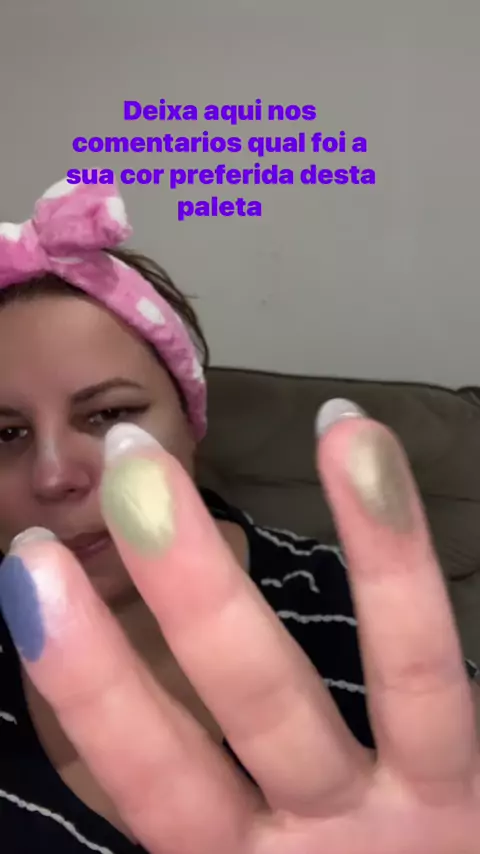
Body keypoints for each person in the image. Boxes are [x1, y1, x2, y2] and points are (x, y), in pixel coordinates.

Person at [0, 179, 478, 854]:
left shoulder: (342, 605)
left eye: (107, 415)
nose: (53, 476)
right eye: (6, 434)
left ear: (191, 424)